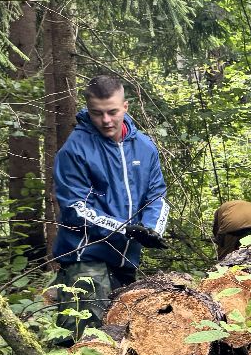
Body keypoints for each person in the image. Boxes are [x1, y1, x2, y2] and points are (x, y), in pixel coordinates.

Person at [51, 76, 169, 334]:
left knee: (124, 342)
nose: (106, 120)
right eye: (98, 113)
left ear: (125, 107)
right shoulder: (75, 150)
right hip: (86, 260)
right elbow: (75, 209)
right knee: (86, 345)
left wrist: (151, 229)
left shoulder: (145, 147)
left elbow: (156, 196)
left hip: (126, 261)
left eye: (112, 112)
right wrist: (126, 229)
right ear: (89, 111)